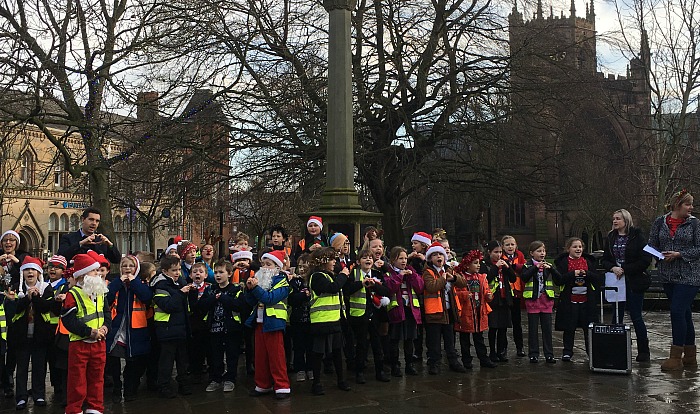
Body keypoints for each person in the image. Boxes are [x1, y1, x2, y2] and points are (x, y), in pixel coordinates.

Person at [648, 189, 700, 371]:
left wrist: (679, 254)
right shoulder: (659, 222)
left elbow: (699, 249)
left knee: (677, 311)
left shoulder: (694, 224)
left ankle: (675, 357)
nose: (691, 207)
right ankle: (691, 358)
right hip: (668, 275)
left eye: (691, 204)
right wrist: (660, 256)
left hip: (689, 276)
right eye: (688, 204)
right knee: (684, 313)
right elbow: (651, 245)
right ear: (677, 205)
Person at [61, 253, 111, 414]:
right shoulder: (73, 294)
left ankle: (95, 408)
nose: (98, 274)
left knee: (97, 378)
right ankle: (74, 409)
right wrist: (89, 332)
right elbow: (68, 320)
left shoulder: (100, 292)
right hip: (80, 343)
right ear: (83, 274)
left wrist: (105, 328)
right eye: (94, 271)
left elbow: (107, 314)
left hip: (99, 343)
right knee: (77, 381)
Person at [602, 209, 652, 362]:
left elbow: (645, 259)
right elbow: (605, 259)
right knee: (616, 316)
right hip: (616, 280)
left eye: (618, 218)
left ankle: (643, 350)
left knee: (636, 316)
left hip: (633, 281)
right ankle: (616, 349)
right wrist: (613, 267)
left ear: (626, 220)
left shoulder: (637, 236)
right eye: (613, 218)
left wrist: (625, 269)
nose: (615, 221)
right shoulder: (611, 237)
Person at [244, 250, 291, 400]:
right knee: (260, 356)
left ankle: (282, 386)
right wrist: (249, 289)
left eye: (268, 264)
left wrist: (255, 289)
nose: (264, 267)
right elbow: (251, 301)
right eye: (263, 264)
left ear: (277, 267)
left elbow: (270, 299)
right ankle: (262, 384)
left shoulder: (283, 283)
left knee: (276, 357)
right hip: (259, 322)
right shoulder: (260, 279)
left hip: (274, 322)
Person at [105, 255, 153, 402]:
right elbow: (107, 298)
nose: (127, 269)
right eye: (124, 266)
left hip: (135, 329)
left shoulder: (141, 284)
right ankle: (116, 388)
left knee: (133, 362)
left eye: (131, 266)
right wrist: (119, 283)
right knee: (113, 358)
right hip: (117, 327)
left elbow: (147, 297)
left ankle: (130, 389)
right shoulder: (114, 283)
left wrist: (134, 283)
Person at [10, 256, 54, 410]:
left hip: (40, 336)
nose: (30, 272)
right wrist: (26, 298)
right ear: (22, 272)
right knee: (21, 368)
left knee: (39, 367)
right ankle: (21, 397)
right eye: (27, 269)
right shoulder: (16, 287)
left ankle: (39, 395)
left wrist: (35, 297)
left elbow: (46, 307)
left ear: (38, 273)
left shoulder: (46, 288)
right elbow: (13, 308)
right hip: (21, 336)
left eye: (33, 270)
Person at [200, 259, 248, 393]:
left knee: (232, 355)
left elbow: (239, 306)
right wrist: (213, 298)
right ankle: (216, 378)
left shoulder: (236, 289)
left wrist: (223, 298)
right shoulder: (210, 289)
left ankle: (230, 379)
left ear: (230, 273)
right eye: (215, 272)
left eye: (221, 272)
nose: (218, 275)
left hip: (231, 329)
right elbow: (202, 305)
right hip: (214, 328)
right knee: (215, 356)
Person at [307, 247, 351, 395]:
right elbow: (332, 288)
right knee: (318, 353)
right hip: (321, 321)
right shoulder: (318, 277)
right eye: (331, 259)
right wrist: (343, 275)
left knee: (337, 352)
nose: (334, 262)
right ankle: (316, 383)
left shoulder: (330, 275)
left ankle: (341, 380)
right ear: (323, 261)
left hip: (334, 320)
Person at [344, 249, 391, 384]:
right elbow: (347, 290)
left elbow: (386, 290)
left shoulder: (377, 273)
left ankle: (380, 371)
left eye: (370, 258)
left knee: (377, 343)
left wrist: (374, 286)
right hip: (359, 315)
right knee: (361, 344)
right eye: (364, 258)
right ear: (358, 262)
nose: (368, 260)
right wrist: (361, 284)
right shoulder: (354, 274)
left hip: (375, 314)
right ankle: (359, 372)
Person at [554, 237, 603, 362]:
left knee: (588, 328)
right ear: (568, 249)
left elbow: (597, 278)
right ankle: (567, 352)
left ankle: (591, 352)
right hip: (570, 301)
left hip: (586, 300)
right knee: (569, 327)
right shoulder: (564, 262)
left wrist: (587, 274)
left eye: (580, 247)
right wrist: (572, 274)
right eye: (575, 247)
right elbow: (558, 279)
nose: (578, 249)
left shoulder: (588, 261)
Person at [422, 242, 467, 375]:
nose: (438, 257)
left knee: (450, 339)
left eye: (440, 254)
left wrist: (454, 278)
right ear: (430, 258)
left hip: (448, 311)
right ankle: (434, 363)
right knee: (434, 341)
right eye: (435, 255)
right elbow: (431, 287)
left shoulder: (449, 269)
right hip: (434, 312)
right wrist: (443, 278)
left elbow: (463, 282)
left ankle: (453, 361)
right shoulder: (428, 272)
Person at [151, 255, 192, 398]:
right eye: (174, 270)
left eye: (179, 269)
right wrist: (181, 293)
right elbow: (169, 306)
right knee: (166, 362)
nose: (177, 273)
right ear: (164, 271)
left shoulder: (179, 282)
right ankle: (164, 386)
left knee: (182, 360)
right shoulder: (160, 285)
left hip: (180, 328)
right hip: (167, 329)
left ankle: (183, 383)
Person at [453, 249, 496, 369]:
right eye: (475, 263)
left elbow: (486, 291)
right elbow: (455, 293)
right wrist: (464, 295)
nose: (478, 265)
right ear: (467, 265)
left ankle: (483, 358)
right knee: (465, 339)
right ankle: (466, 360)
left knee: (479, 338)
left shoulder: (481, 278)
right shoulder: (460, 278)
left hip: (478, 311)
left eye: (479, 263)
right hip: (466, 313)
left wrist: (489, 296)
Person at [385, 246, 424, 377]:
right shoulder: (389, 272)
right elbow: (389, 288)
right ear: (393, 260)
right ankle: (395, 365)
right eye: (400, 258)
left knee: (410, 339)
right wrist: (399, 277)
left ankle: (409, 364)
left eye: (406, 258)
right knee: (395, 339)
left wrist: (412, 276)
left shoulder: (410, 270)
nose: (404, 261)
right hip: (397, 311)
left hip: (410, 310)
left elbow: (420, 287)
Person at [521, 241, 560, 363]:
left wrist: (552, 269)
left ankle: (549, 354)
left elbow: (559, 279)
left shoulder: (548, 266)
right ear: (531, 253)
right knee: (533, 329)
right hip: (533, 301)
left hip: (546, 301)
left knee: (547, 329)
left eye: (543, 251)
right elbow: (524, 277)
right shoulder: (527, 266)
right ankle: (533, 353)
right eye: (539, 251)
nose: (542, 253)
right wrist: (535, 268)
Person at [483, 241, 516, 362]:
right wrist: (495, 267)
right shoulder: (485, 264)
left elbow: (513, 278)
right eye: (496, 252)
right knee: (493, 327)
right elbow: (487, 278)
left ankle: (502, 351)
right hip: (492, 300)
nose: (499, 255)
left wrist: (508, 268)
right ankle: (492, 352)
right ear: (489, 253)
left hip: (504, 298)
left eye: (500, 252)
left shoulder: (505, 263)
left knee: (503, 327)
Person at [288, 254, 313, 382]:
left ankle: (310, 368)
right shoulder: (295, 282)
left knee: (311, 346)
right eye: (299, 266)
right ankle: (300, 369)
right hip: (297, 319)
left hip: (311, 319)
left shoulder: (313, 280)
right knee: (298, 346)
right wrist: (303, 295)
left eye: (305, 266)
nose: (302, 269)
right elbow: (292, 299)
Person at [501, 235, 527, 357]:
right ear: (503, 247)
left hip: (517, 292)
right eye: (507, 244)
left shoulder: (520, 256)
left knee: (517, 322)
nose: (510, 247)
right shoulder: (501, 257)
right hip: (505, 293)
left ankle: (520, 347)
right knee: (504, 323)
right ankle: (503, 348)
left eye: (512, 244)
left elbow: (524, 268)